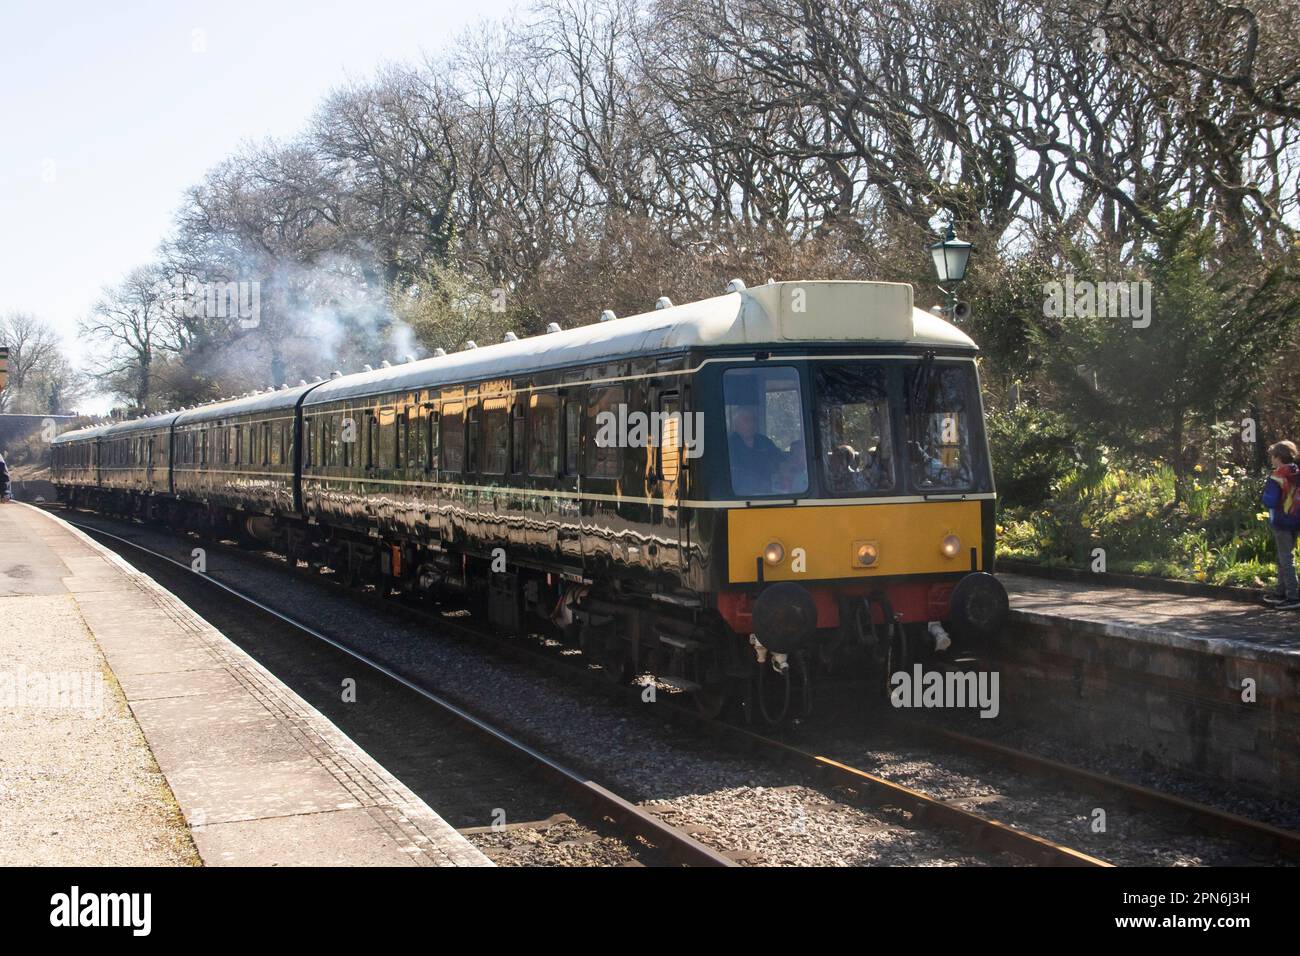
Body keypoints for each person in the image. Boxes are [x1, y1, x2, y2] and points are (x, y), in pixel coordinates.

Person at [1261, 440, 1300, 610]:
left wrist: (1264, 497)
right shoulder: (1296, 473)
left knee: (1285, 558)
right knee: (1283, 557)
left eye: (1272, 457)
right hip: (1296, 519)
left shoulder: (1277, 476)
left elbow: (1270, 500)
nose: (1271, 460)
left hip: (1281, 520)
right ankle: (1280, 591)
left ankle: (1292, 596)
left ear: (1278, 457)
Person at [727, 405, 785, 494]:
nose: (751, 424)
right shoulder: (729, 445)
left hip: (768, 492)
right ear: (736, 424)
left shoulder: (765, 442)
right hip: (740, 496)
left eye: (753, 420)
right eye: (746, 420)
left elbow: (779, 460)